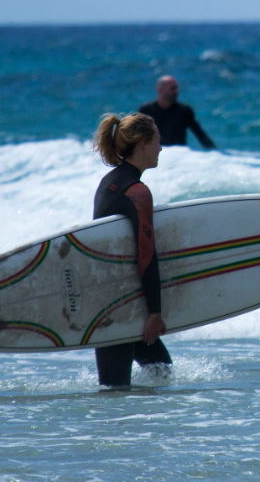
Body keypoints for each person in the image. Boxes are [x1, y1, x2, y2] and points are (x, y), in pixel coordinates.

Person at [91, 112, 172, 386]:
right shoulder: (137, 192)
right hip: (117, 308)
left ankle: (138, 427)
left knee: (160, 369)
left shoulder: (110, 182)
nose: (161, 147)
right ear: (143, 143)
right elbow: (146, 254)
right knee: (114, 389)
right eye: (158, 140)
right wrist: (155, 314)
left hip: (111, 298)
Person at [138, 75, 217, 149]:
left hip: (178, 158)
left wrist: (215, 154)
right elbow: (135, 136)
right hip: (156, 157)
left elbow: (201, 135)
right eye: (172, 88)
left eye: (176, 88)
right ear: (160, 90)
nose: (177, 91)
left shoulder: (184, 111)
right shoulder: (146, 111)